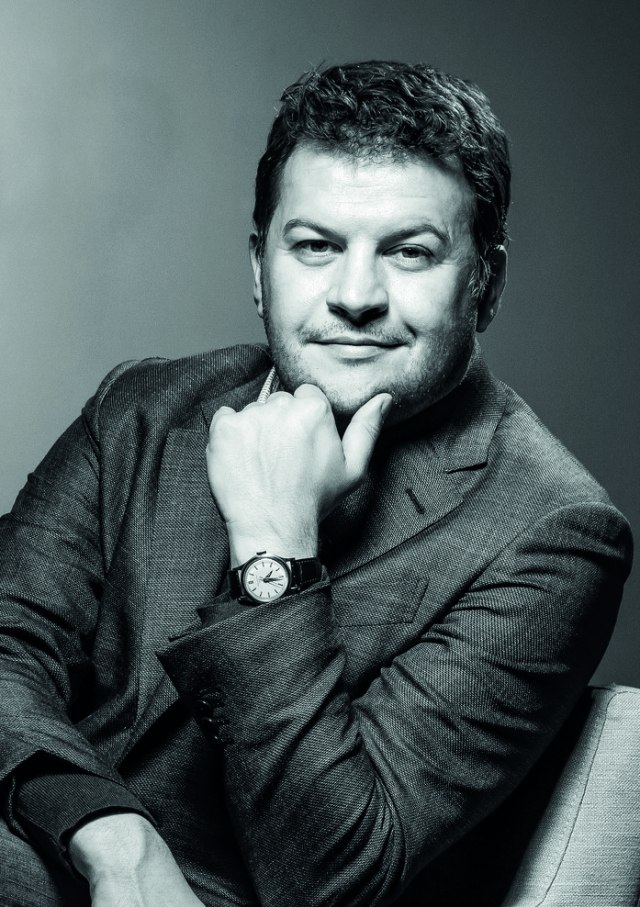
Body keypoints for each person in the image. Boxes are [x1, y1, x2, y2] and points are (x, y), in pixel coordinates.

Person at [0, 60, 632, 907]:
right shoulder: (143, 406)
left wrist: (274, 549)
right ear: (260, 268)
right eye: (316, 246)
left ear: (485, 285)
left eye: (410, 251)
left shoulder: (553, 531)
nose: (355, 295)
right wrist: (110, 833)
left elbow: (331, 875)